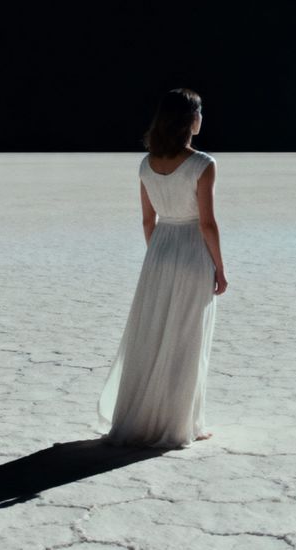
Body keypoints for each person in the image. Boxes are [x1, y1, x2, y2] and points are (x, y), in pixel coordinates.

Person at [96, 88, 227, 448]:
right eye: (200, 112)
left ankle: (146, 417)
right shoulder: (203, 164)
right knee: (186, 338)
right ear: (190, 120)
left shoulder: (146, 164)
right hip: (191, 252)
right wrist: (220, 267)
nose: (202, 118)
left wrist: (158, 257)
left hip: (159, 250)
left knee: (153, 334)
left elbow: (147, 221)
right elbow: (207, 224)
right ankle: (182, 423)